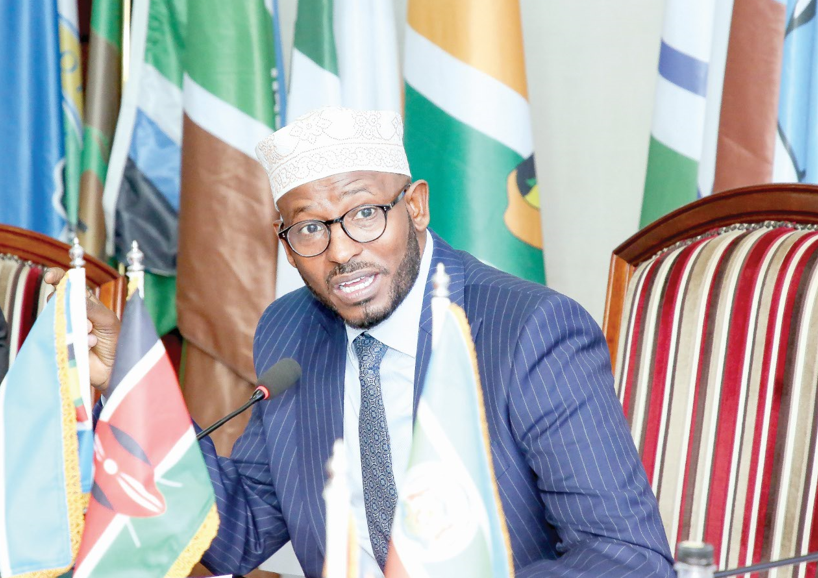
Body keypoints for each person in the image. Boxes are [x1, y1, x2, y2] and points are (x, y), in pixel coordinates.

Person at [48, 107, 674, 578]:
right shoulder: (290, 327)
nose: (342, 251)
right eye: (310, 228)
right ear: (285, 242)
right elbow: (239, 530)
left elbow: (628, 557)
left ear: (417, 206)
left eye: (365, 214)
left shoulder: (528, 330)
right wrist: (131, 379)